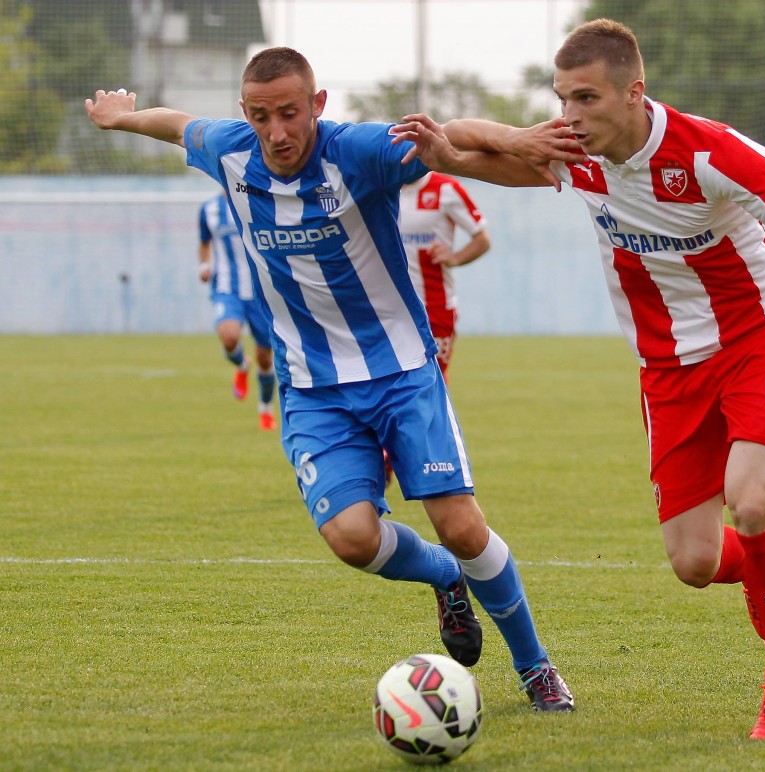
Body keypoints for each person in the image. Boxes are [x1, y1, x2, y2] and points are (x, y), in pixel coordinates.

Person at [393, 18, 765, 740]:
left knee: (752, 501)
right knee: (694, 561)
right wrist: (470, 150)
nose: (570, 114)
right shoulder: (577, 153)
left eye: (585, 98)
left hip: (758, 338)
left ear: (634, 93)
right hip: (667, 369)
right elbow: (469, 143)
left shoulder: (708, 152)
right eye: (561, 99)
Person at [84, 48, 574, 712]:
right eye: (261, 117)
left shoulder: (357, 152)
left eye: (290, 113)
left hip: (401, 370)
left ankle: (535, 666)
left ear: (317, 104)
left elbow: (451, 133)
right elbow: (176, 125)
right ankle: (445, 577)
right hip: (314, 387)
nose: (277, 132)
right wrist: (123, 118)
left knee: (461, 525)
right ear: (245, 114)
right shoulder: (230, 150)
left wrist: (517, 138)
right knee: (351, 538)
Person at [198, 189, 278, 429]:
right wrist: (203, 265)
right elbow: (204, 242)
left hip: (260, 291)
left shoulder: (257, 201)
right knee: (229, 337)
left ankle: (265, 408)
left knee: (265, 359)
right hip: (227, 289)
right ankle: (242, 363)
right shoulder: (209, 209)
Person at [399, 172, 491, 381]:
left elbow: (482, 239)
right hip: (390, 306)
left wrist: (454, 258)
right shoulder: (381, 185)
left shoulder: (446, 189)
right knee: (393, 379)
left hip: (435, 303)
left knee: (434, 377)